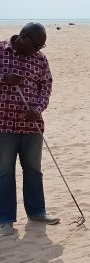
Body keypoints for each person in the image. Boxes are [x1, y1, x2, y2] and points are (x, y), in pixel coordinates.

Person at [0, 23, 59, 236]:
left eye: (41, 47)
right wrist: (3, 79)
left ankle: (37, 212)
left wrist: (37, 108)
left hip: (32, 125)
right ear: (22, 37)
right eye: (36, 45)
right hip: (3, 125)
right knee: (4, 172)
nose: (38, 50)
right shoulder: (1, 50)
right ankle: (5, 219)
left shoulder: (40, 59)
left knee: (33, 170)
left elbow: (46, 87)